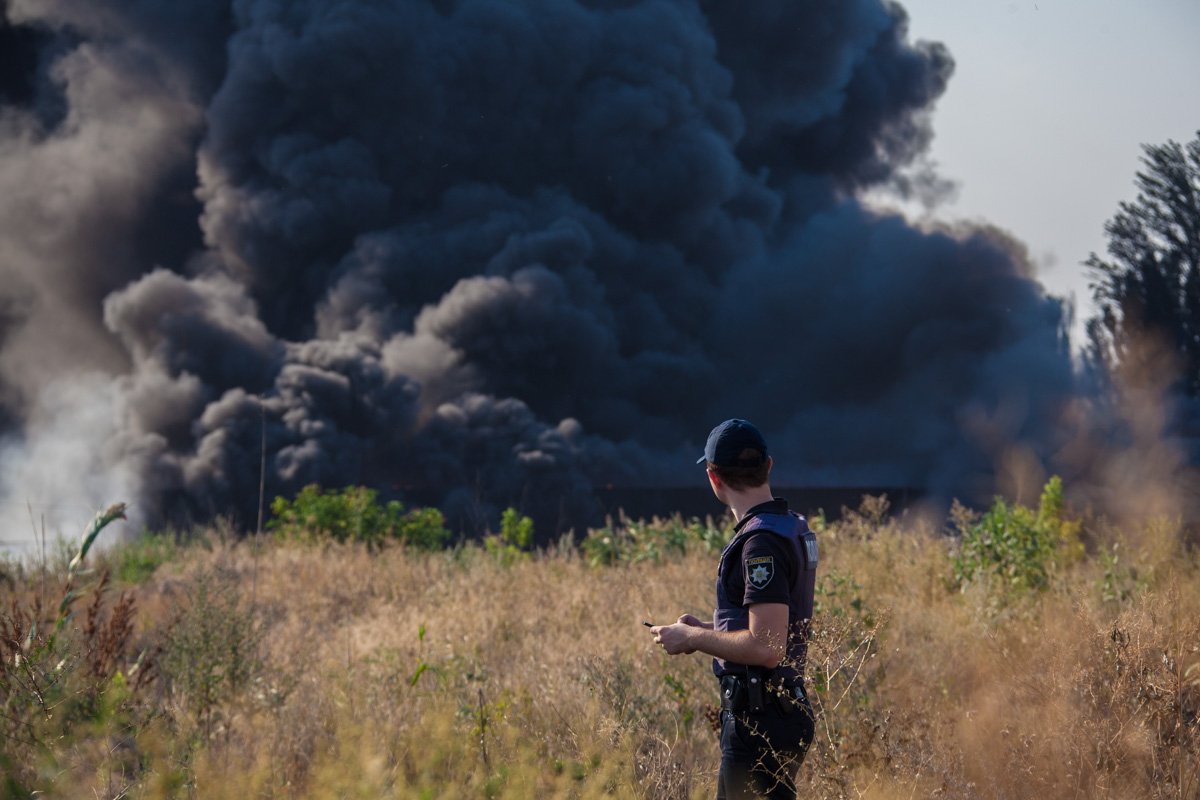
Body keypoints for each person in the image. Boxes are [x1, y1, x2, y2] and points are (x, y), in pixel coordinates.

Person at [650, 418, 817, 800]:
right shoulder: (784, 526)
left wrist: (692, 637)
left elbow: (767, 647)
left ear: (714, 477)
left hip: (761, 719)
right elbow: (773, 626)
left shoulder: (761, 543)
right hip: (774, 713)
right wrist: (706, 631)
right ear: (768, 466)